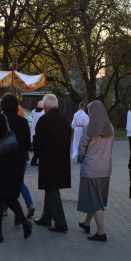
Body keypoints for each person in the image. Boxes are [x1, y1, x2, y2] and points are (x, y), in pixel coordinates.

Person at [0, 93, 33, 243]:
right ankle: (25, 223)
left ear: (3, 105)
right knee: (10, 197)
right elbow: (27, 145)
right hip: (16, 165)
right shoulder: (23, 122)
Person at [33, 94, 72, 232]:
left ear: (45, 106)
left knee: (52, 189)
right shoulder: (65, 118)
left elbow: (38, 140)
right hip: (62, 159)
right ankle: (46, 217)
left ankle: (61, 222)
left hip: (49, 160)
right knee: (50, 188)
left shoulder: (45, 119)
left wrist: (36, 155)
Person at [77, 100, 114, 242]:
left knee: (94, 200)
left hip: (91, 169)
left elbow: (82, 147)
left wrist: (81, 158)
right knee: (97, 198)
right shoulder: (110, 127)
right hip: (105, 169)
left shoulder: (88, 128)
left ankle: (101, 232)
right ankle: (86, 223)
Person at [30, 100, 45, 166]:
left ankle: (34, 160)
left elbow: (32, 117)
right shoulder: (43, 112)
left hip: (33, 131)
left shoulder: (33, 111)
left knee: (35, 146)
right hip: (40, 131)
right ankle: (35, 160)